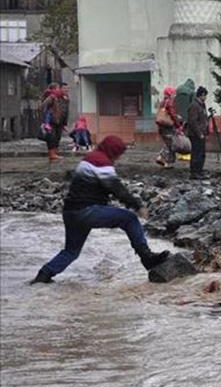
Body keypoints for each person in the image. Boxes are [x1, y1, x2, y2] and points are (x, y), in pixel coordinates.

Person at [30, 136, 170, 285]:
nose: (118, 157)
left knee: (71, 252)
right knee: (129, 219)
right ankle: (147, 258)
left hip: (70, 213)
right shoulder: (101, 162)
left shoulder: (89, 159)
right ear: (113, 151)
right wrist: (138, 206)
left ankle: (43, 276)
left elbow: (75, 178)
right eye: (118, 153)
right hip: (87, 212)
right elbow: (115, 187)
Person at [40, 82, 70, 162]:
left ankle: (55, 154)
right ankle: (52, 155)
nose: (66, 90)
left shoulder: (65, 98)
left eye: (67, 88)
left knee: (58, 138)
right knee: (51, 138)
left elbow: (66, 111)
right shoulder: (52, 97)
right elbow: (43, 106)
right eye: (64, 88)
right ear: (60, 88)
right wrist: (46, 118)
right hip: (51, 121)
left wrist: (64, 123)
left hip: (60, 122)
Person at [155, 85, 182, 168]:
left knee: (168, 143)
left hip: (161, 126)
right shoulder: (169, 102)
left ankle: (165, 161)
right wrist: (178, 124)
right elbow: (172, 114)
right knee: (170, 143)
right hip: (168, 126)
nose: (174, 95)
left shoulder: (162, 102)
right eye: (173, 93)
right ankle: (163, 159)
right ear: (170, 93)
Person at [186, 86, 209, 180]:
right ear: (202, 95)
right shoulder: (194, 106)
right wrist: (199, 133)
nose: (206, 97)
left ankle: (200, 171)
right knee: (196, 153)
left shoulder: (202, 105)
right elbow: (193, 121)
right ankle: (194, 172)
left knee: (201, 153)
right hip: (195, 134)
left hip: (201, 133)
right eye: (205, 95)